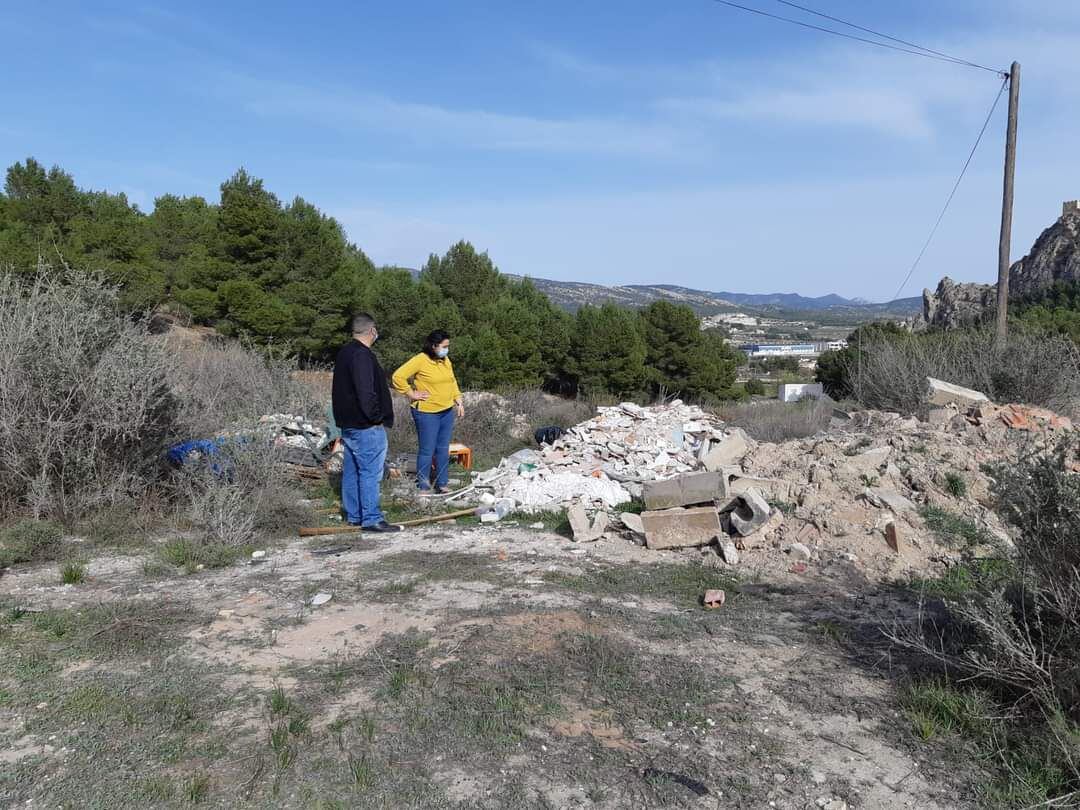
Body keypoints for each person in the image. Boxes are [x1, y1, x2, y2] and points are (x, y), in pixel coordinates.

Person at [331, 313, 403, 532]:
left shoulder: (345, 352)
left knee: (353, 470)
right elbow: (365, 391)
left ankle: (354, 515)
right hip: (365, 425)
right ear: (372, 331)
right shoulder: (362, 356)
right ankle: (371, 518)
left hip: (349, 423)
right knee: (371, 472)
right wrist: (375, 418)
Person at [391, 329, 465, 494]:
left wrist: (458, 400)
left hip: (446, 410)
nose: (447, 349)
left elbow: (452, 381)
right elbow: (398, 376)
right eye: (444, 346)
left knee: (442, 448)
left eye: (448, 346)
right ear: (433, 346)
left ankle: (442, 484)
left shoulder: (445, 360)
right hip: (426, 412)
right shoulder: (420, 360)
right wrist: (411, 393)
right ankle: (423, 486)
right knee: (427, 449)